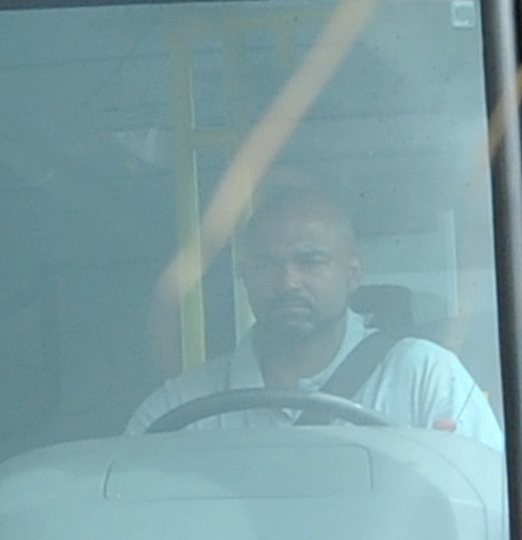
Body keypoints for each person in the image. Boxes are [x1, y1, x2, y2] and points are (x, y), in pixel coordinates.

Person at [122, 174, 502, 446]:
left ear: (354, 272)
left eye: (311, 260)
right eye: (268, 264)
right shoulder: (182, 410)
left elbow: (491, 510)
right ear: (244, 277)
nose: (288, 281)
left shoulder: (425, 379)